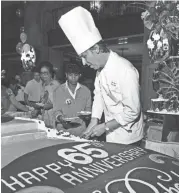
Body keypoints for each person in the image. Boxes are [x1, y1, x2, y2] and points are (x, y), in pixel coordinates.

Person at [58, 6, 144, 145]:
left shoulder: (125, 70)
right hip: (111, 135)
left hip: (130, 138)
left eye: (85, 56)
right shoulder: (100, 72)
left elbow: (133, 111)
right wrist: (94, 121)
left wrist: (104, 126)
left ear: (97, 49)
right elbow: (99, 97)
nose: (84, 63)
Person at [53, 63, 92, 136]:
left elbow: (88, 109)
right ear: (66, 75)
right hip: (62, 129)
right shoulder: (58, 90)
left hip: (80, 129)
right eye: (70, 75)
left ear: (80, 75)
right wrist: (60, 118)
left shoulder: (86, 91)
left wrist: (87, 116)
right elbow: (56, 110)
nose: (73, 77)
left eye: (76, 75)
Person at [35, 61, 60, 127]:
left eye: (45, 73)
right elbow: (44, 100)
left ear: (51, 73)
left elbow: (61, 103)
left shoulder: (56, 85)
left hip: (55, 118)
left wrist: (51, 105)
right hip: (46, 118)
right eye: (41, 73)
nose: (43, 75)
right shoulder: (43, 85)